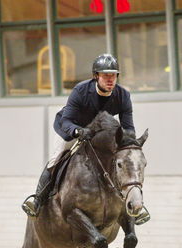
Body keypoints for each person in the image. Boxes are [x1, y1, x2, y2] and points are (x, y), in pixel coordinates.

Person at [22, 53, 150, 225]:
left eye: (113, 75)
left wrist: (129, 144)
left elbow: (128, 127)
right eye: (105, 75)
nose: (110, 79)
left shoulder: (123, 95)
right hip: (70, 129)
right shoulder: (81, 91)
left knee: (124, 161)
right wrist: (77, 132)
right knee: (57, 157)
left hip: (98, 132)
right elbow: (66, 120)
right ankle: (37, 200)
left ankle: (135, 204)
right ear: (96, 76)